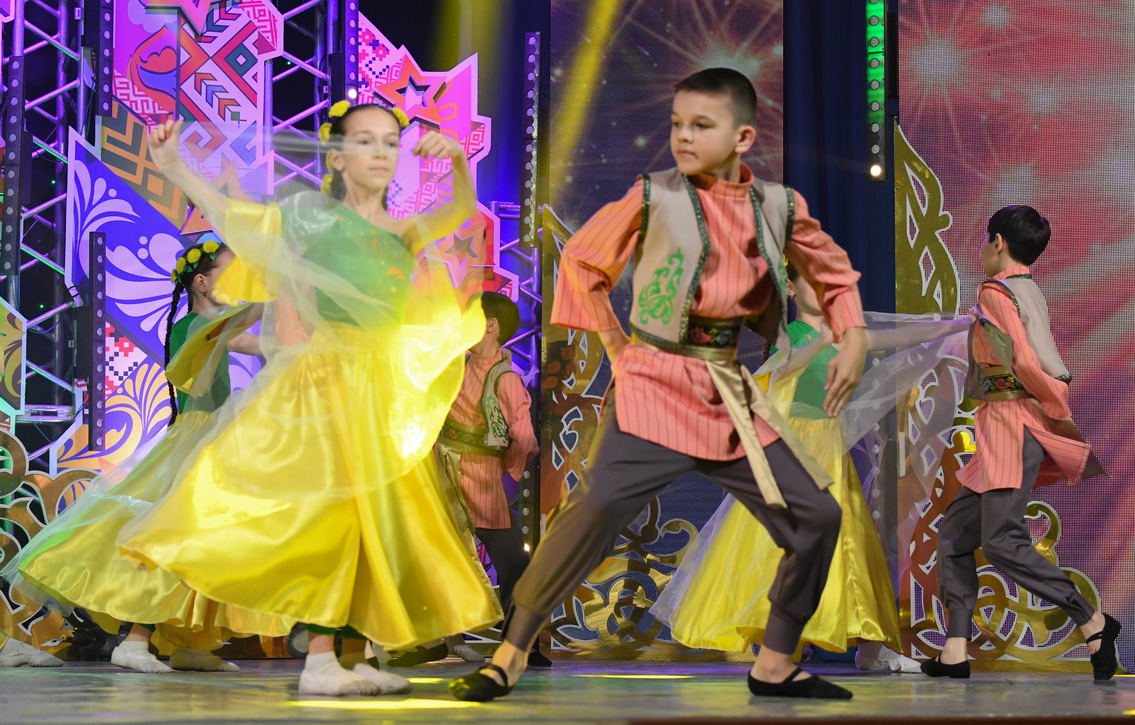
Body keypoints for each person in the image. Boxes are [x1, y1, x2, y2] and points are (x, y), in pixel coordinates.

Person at [451, 67, 868, 702]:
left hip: (725, 390)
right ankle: (510, 654)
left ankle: (776, 662)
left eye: (701, 125)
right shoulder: (654, 196)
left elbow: (834, 274)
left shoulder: (779, 206)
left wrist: (854, 335)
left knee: (817, 515)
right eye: (677, 124)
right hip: (653, 384)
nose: (683, 136)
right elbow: (582, 259)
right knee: (594, 510)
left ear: (743, 137)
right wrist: (615, 343)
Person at [123, 101, 501, 696]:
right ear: (338, 156)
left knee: (374, 525)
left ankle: (353, 656)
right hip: (326, 382)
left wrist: (456, 161)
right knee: (333, 516)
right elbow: (236, 217)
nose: (381, 153)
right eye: (365, 141)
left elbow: (457, 211)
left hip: (379, 388)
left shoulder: (400, 230)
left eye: (390, 142)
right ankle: (320, 658)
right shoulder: (311, 220)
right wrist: (174, 166)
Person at [654, 263, 968, 672]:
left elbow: (900, 336)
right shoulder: (791, 335)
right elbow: (781, 370)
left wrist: (956, 325)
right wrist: (821, 339)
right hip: (795, 453)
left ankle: (872, 649)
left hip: (829, 452)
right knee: (782, 548)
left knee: (850, 546)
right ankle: (784, 643)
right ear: (790, 288)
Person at [4, 241, 286, 673]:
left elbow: (261, 341)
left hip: (215, 442)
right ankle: (135, 640)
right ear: (202, 282)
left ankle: (192, 643)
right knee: (175, 541)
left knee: (210, 543)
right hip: (197, 446)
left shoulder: (213, 327)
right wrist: (284, 286)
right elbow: (246, 322)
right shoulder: (196, 325)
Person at [922, 205, 1118, 680]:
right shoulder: (1027, 289)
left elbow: (1025, 361)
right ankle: (955, 650)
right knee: (954, 536)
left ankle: (1091, 621)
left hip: (1012, 424)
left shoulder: (995, 291)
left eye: (985, 241)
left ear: (997, 243)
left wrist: (1056, 405)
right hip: (1003, 424)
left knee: (1002, 542)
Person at [430, 291, 544, 666]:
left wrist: (501, 466)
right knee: (439, 556)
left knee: (511, 560)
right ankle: (444, 638)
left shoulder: (505, 378)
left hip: (476, 476)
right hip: (443, 469)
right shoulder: (457, 365)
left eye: (473, 319)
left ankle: (519, 643)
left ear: (490, 326)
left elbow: (525, 438)